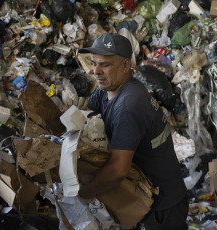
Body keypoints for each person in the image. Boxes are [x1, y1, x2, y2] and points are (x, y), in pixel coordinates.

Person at [78, 32, 188, 230]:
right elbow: (85, 112)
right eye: (94, 63)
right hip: (147, 198)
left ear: (126, 65)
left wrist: (84, 193)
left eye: (105, 64)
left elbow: (119, 170)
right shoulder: (107, 88)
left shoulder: (129, 105)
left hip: (162, 207)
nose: (96, 71)